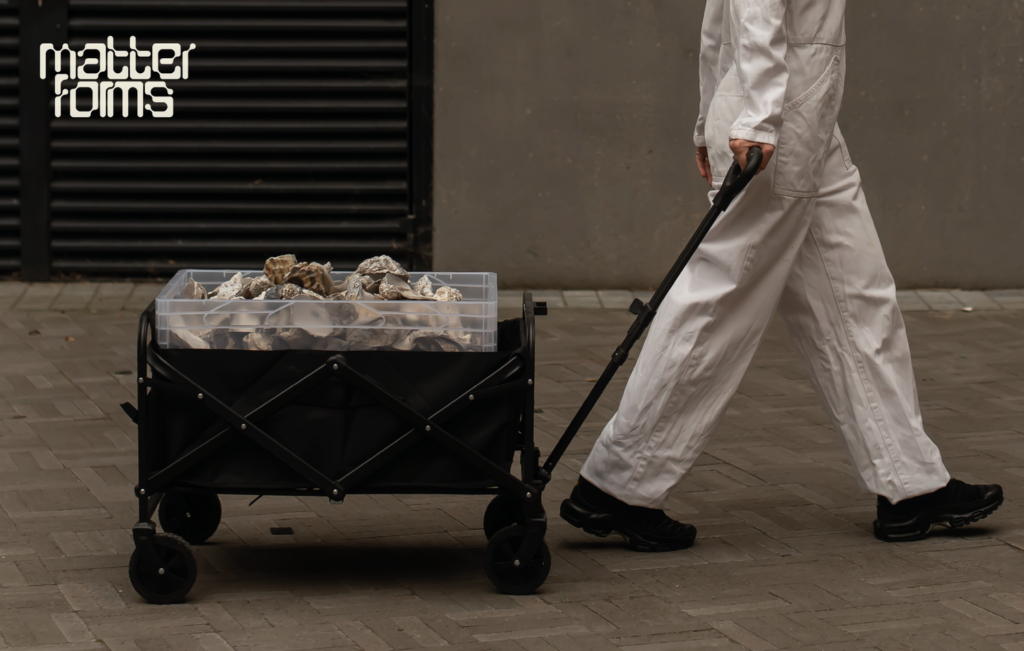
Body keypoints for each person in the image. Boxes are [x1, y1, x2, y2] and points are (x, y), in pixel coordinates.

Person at [559, 0, 1003, 552]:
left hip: (802, 119)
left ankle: (909, 485)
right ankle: (619, 484)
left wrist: (710, 118)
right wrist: (757, 119)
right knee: (719, 306)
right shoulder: (768, 116)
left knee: (857, 296)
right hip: (782, 121)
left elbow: (719, 22)